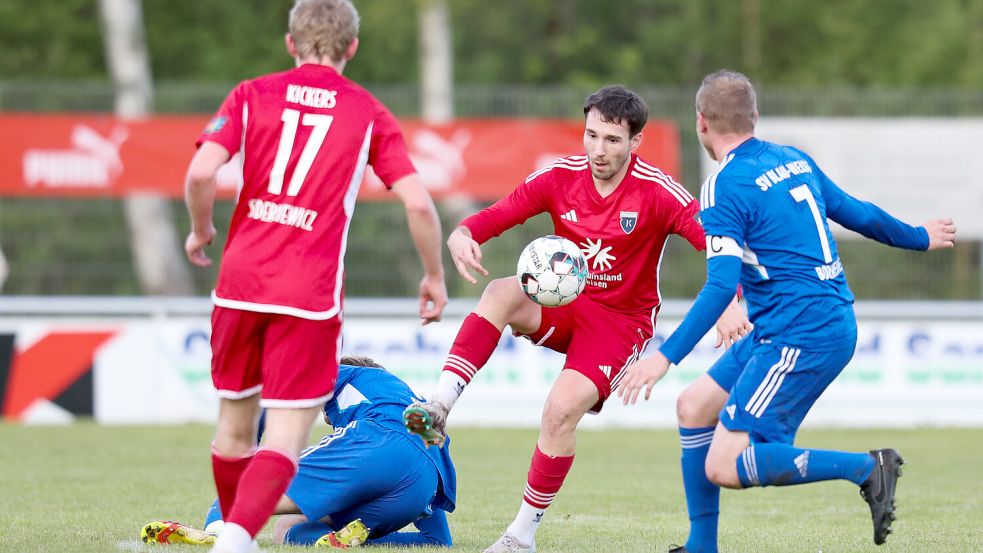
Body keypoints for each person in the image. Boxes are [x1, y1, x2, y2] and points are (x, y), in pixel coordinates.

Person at [617, 70, 957, 552]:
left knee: (724, 464)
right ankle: (701, 547)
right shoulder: (793, 160)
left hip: (801, 333)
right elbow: (857, 213)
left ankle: (866, 468)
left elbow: (719, 287)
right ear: (754, 117)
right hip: (795, 322)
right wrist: (918, 235)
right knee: (693, 407)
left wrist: (663, 356)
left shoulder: (723, 186)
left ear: (701, 124)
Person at [403, 85, 751, 553]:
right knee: (500, 292)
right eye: (591, 135)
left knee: (559, 412)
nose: (598, 150)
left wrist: (732, 300)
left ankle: (521, 537)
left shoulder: (659, 192)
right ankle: (440, 406)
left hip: (621, 323)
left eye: (611, 139)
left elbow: (715, 246)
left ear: (635, 142)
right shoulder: (558, 178)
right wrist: (464, 233)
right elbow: (500, 215)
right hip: (567, 306)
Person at [182, 1, 447, 551]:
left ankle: (234, 533)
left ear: (290, 44)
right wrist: (432, 277)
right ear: (352, 47)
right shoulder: (368, 111)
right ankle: (236, 538)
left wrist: (201, 230)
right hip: (309, 294)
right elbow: (420, 206)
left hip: (240, 283)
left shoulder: (251, 94)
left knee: (234, 427)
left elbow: (202, 171)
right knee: (284, 436)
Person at [141, 356, 456, 549]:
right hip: (421, 487)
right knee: (288, 531)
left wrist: (254, 449)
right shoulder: (414, 407)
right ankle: (346, 542)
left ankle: (218, 532)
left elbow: (276, 391)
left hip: (376, 442)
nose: (326, 418)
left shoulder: (349, 373)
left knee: (249, 484)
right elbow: (439, 543)